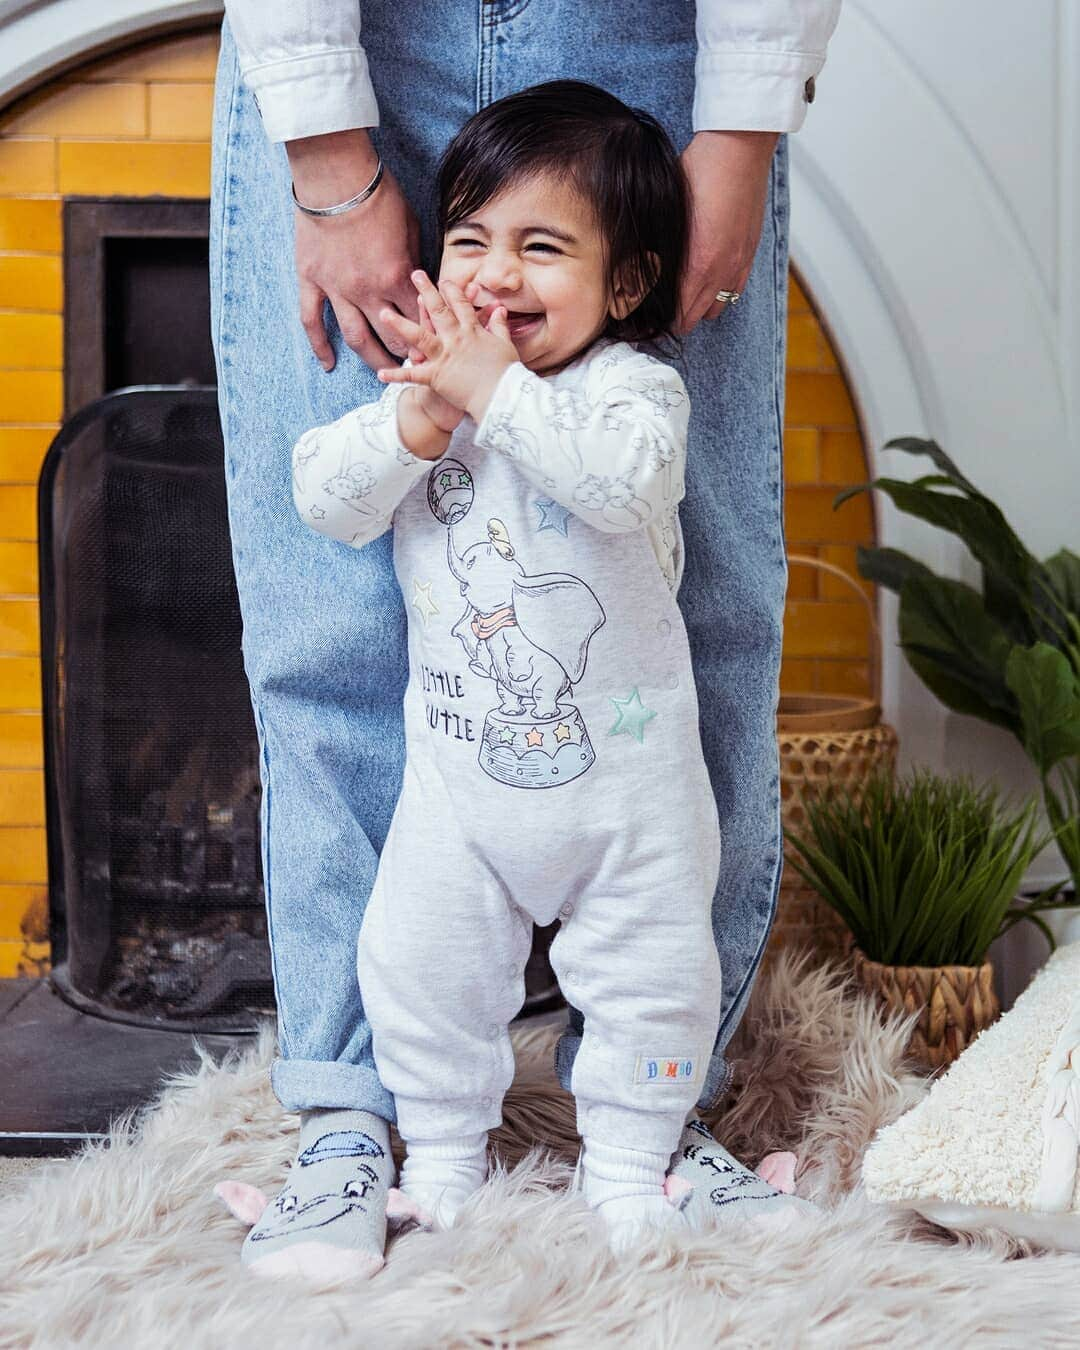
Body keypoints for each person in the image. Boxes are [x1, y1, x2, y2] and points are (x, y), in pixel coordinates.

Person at [210, 0, 842, 1280]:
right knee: (322, 634)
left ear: (620, 278)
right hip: (353, 33)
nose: (494, 278)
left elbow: (625, 485)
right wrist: (333, 166)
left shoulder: (631, 378)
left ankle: (658, 1121)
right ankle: (359, 1120)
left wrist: (744, 118)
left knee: (709, 600)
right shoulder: (425, 404)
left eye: (539, 249)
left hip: (659, 29)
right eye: (474, 247)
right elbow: (325, 507)